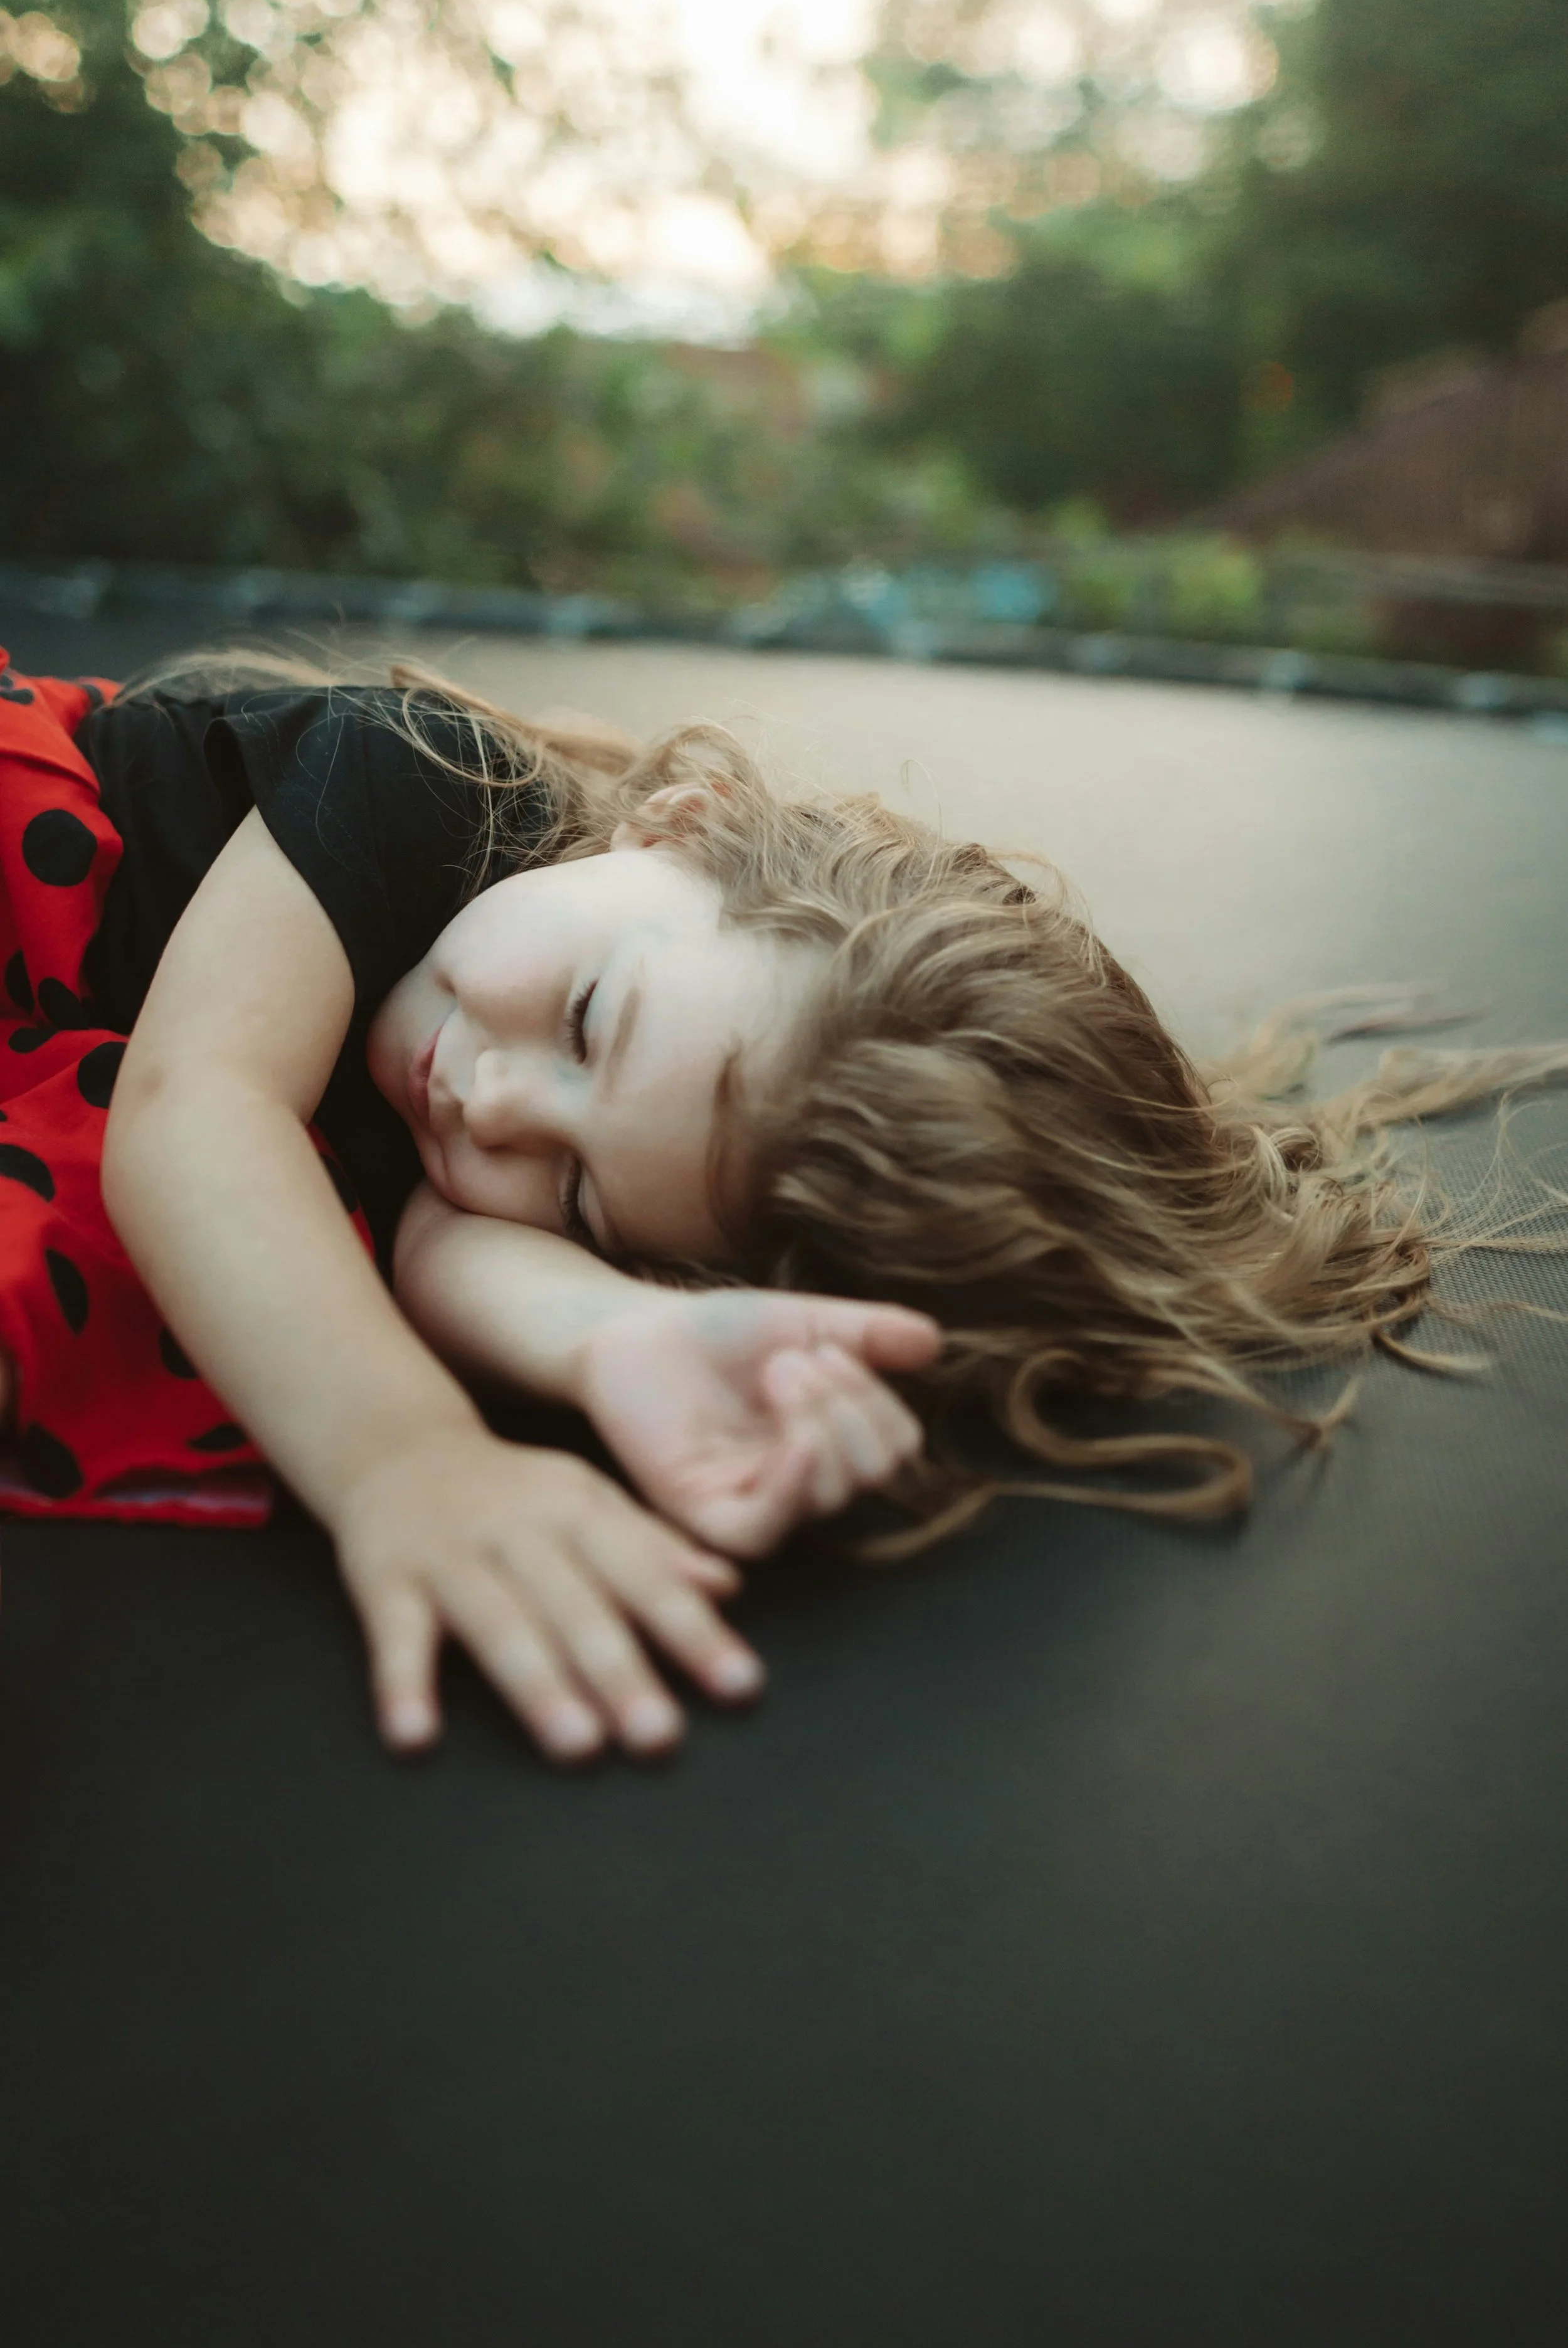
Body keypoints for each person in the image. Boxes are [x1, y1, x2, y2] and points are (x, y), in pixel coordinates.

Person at [0, 648, 1562, 1764]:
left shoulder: (486, 1129)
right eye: (593, 1023)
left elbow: (438, 1245)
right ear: (676, 831)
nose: (490, 1104)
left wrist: (616, 1341)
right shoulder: (414, 776)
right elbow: (199, 1108)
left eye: (586, 1197)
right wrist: (412, 1462)